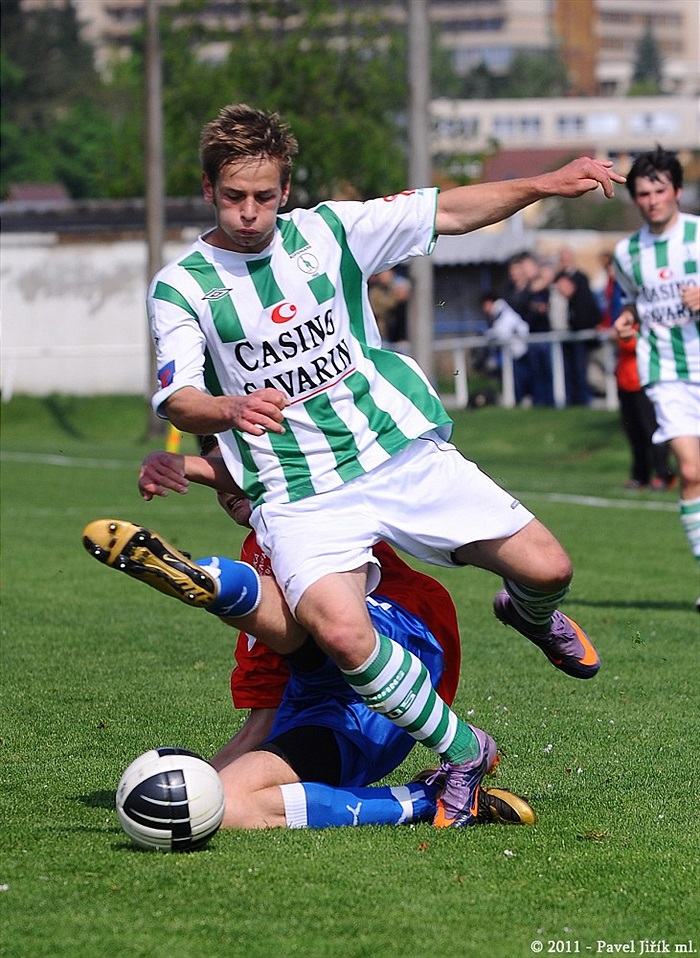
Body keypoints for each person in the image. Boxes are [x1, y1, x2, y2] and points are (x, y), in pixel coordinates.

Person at [146, 103, 614, 828]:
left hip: (397, 452)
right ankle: (465, 751)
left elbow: (448, 211)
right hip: (297, 490)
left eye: (264, 197)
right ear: (207, 189)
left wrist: (547, 183)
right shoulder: (182, 285)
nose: (248, 212)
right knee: (339, 631)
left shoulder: (330, 231)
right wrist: (226, 410)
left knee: (548, 568)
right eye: (233, 197)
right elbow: (177, 397)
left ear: (286, 189)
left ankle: (529, 614)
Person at [82, 449, 535, 829]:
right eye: (217, 479)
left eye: (235, 471)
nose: (227, 490)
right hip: (332, 717)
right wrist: (199, 783)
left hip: (400, 635)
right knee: (223, 807)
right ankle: (422, 797)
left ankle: (225, 590)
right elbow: (263, 722)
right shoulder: (259, 554)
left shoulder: (320, 505)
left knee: (324, 617)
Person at [613, 147, 700, 585]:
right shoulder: (627, 253)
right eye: (643, 193)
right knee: (690, 470)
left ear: (677, 191)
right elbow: (632, 304)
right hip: (667, 372)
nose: (651, 200)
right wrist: (626, 322)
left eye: (659, 190)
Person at [505, 252, 555, 407]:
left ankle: (548, 401)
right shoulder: (515, 290)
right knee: (532, 373)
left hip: (540, 335)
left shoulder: (537, 287)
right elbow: (519, 306)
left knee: (545, 372)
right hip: (522, 339)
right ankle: (537, 401)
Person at [552, 252, 602, 406]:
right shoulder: (560, 277)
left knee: (583, 370)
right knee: (570, 370)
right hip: (569, 333)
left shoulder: (581, 280)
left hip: (582, 333)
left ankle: (583, 399)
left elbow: (588, 312)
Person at [479, 290, 530, 405]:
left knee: (519, 379)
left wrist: (488, 335)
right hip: (514, 351)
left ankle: (518, 400)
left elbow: (502, 332)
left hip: (519, 350)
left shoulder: (502, 312)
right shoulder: (500, 312)